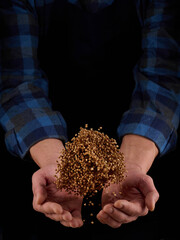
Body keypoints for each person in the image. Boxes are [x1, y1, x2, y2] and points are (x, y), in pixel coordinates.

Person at [0, 0, 179, 230]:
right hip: (38, 153)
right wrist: (56, 163)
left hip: (142, 148)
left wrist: (132, 163)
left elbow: (164, 77)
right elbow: (17, 80)